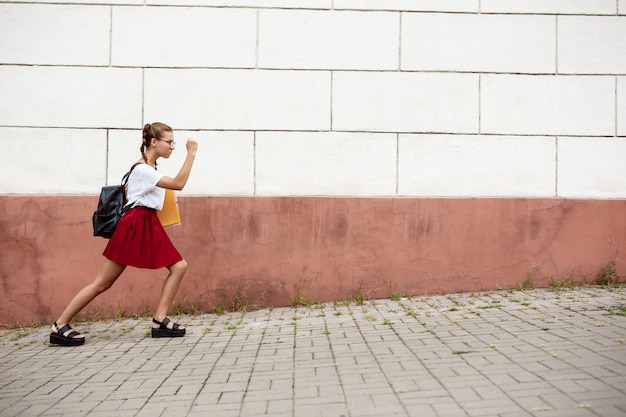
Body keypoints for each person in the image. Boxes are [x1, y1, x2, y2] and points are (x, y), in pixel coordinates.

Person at [50, 122, 198, 346]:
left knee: (179, 266)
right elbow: (178, 184)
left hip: (147, 222)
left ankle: (160, 320)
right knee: (103, 282)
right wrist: (192, 153)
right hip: (135, 225)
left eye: (173, 143)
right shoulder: (143, 170)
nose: (172, 147)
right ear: (154, 142)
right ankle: (60, 325)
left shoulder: (148, 169)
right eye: (169, 142)